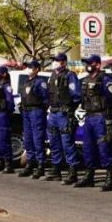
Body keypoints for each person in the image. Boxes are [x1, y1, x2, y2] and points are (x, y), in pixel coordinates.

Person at [75, 54, 112, 191]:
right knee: (88, 147)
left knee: (104, 147)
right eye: (87, 63)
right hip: (89, 117)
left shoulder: (106, 81)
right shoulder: (85, 80)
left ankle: (110, 178)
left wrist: (108, 115)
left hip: (101, 117)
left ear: (98, 65)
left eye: (91, 63)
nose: (88, 65)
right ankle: (89, 176)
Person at [44, 52, 81, 184]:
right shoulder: (53, 75)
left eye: (57, 60)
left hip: (63, 114)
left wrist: (70, 110)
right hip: (53, 113)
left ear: (64, 62)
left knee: (67, 143)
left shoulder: (70, 76)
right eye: (54, 60)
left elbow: (76, 96)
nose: (55, 63)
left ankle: (72, 172)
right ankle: (56, 170)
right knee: (54, 143)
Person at [17, 60, 49, 179]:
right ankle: (30, 163)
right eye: (27, 67)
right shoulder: (26, 82)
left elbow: (46, 100)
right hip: (26, 112)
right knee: (28, 139)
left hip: (36, 112)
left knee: (37, 139)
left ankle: (40, 165)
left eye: (30, 67)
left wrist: (40, 110)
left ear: (36, 69)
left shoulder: (40, 82)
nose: (28, 69)